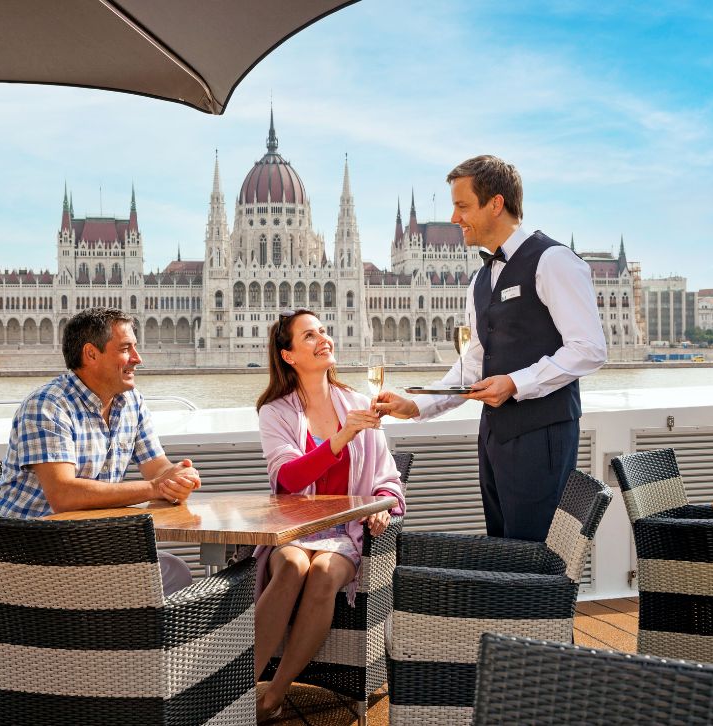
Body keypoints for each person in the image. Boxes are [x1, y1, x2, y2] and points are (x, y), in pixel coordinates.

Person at [376, 155, 606, 542]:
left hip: (543, 436)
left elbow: (589, 348)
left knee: (535, 555)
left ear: (496, 204)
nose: (454, 217)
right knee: (504, 550)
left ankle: (539, 606)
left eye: (463, 206)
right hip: (494, 438)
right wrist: (417, 404)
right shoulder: (480, 280)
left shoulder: (552, 261)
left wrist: (517, 383)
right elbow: (475, 363)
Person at [253, 308, 406, 720]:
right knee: (291, 569)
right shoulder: (276, 412)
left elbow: (388, 476)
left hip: (346, 530)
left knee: (322, 574)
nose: (323, 339)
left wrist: (382, 507)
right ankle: (240, 684)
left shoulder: (358, 403)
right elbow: (287, 478)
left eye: (323, 331)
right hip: (296, 526)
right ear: (288, 356)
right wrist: (341, 437)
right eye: (309, 336)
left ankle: (275, 693)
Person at [0, 307, 200, 594]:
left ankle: (115, 638)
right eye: (126, 349)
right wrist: (154, 488)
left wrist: (177, 477)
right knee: (155, 580)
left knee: (173, 572)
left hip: (80, 544)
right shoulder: (48, 405)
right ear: (91, 354)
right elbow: (64, 495)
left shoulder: (131, 402)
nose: (138, 358)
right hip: (21, 552)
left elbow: (156, 466)